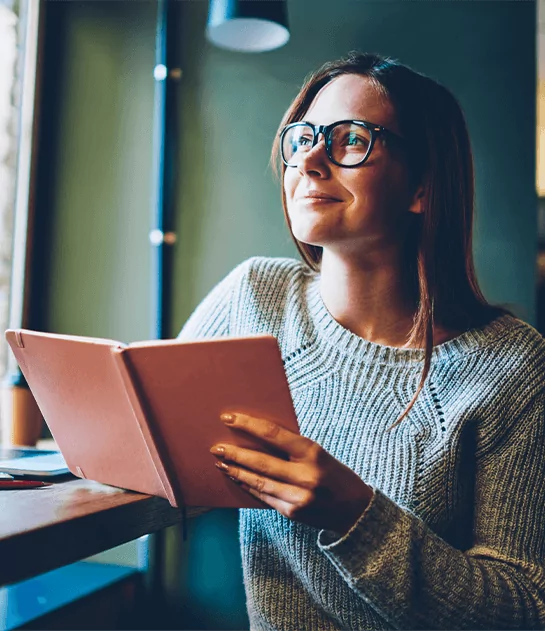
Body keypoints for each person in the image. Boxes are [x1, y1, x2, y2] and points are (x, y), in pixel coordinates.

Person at [178, 52, 545, 630]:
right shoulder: (253, 298)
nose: (311, 160)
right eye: (303, 139)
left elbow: (525, 608)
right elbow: (156, 445)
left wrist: (356, 513)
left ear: (423, 185)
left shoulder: (513, 368)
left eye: (351, 140)